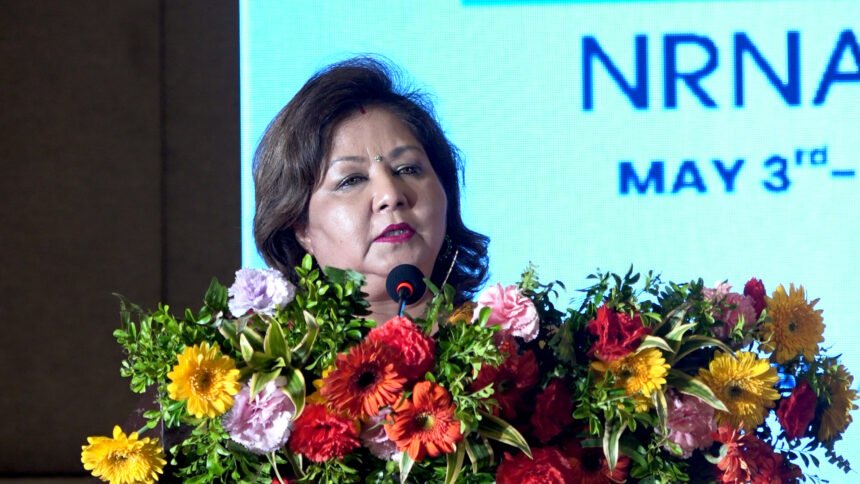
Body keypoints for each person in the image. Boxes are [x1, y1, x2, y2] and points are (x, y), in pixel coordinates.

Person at [253, 57, 489, 322]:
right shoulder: (256, 349)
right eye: (352, 180)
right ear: (301, 229)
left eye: (408, 169)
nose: (391, 195)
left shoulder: (512, 343)